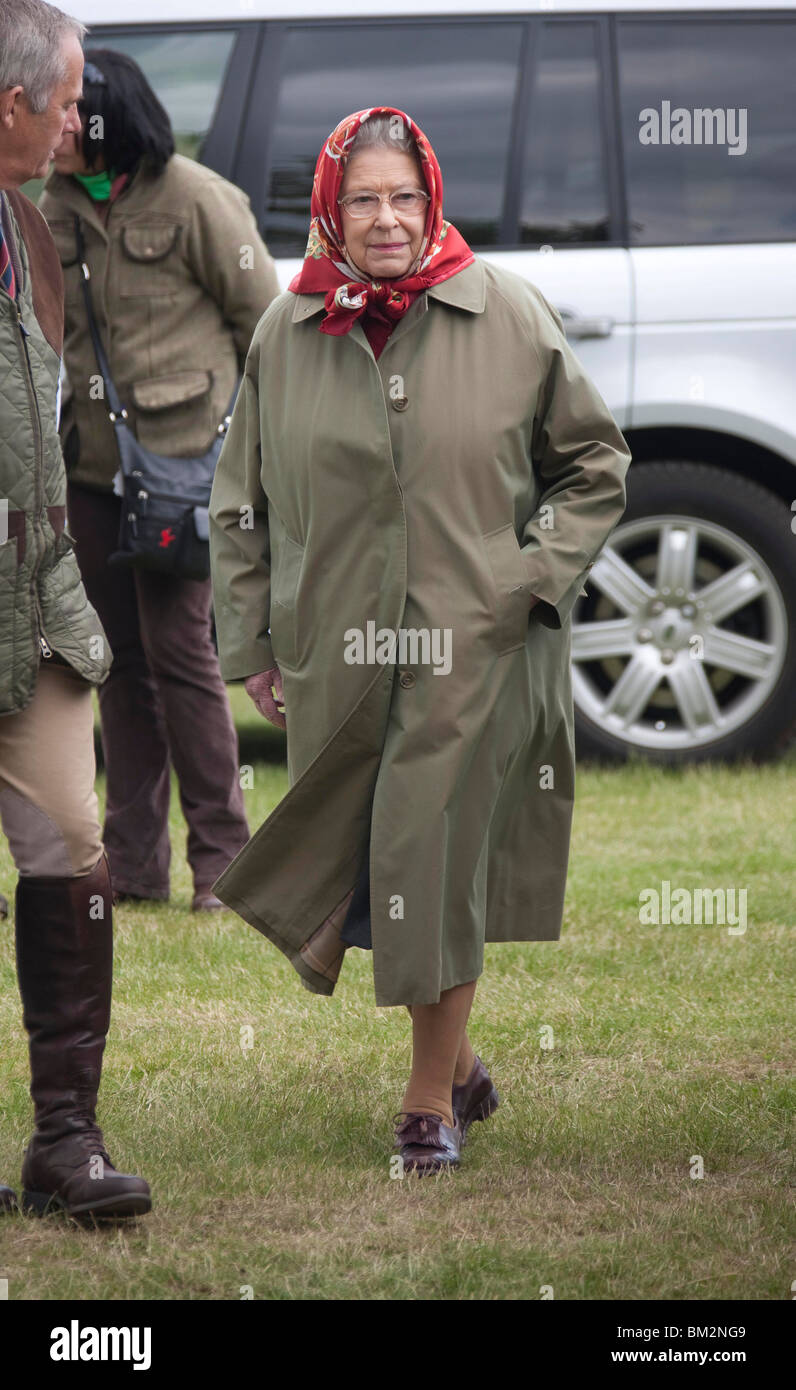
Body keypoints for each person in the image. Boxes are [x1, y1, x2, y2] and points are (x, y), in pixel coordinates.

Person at [208, 107, 632, 1174]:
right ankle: (463, 1061)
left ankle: (424, 1105)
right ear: (328, 211)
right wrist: (254, 637)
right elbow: (239, 504)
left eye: (403, 196)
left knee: (429, 855)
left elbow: (595, 465)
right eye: (363, 199)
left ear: (432, 198)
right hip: (333, 654)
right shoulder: (284, 331)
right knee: (352, 873)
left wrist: (526, 577)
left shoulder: (510, 316)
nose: (386, 219)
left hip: (472, 647)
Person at [38, 48, 281, 909]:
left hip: (184, 473)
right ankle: (135, 866)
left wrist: (253, 459)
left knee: (182, 657)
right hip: (93, 469)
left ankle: (223, 861)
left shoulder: (199, 198)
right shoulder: (50, 203)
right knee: (118, 661)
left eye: (75, 114)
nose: (61, 127)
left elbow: (269, 329)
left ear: (113, 119)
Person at [0, 0, 150, 1219]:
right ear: (14, 103)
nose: (78, 119)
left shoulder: (33, 231)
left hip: (36, 599)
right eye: (68, 97)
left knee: (75, 855)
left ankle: (67, 1143)